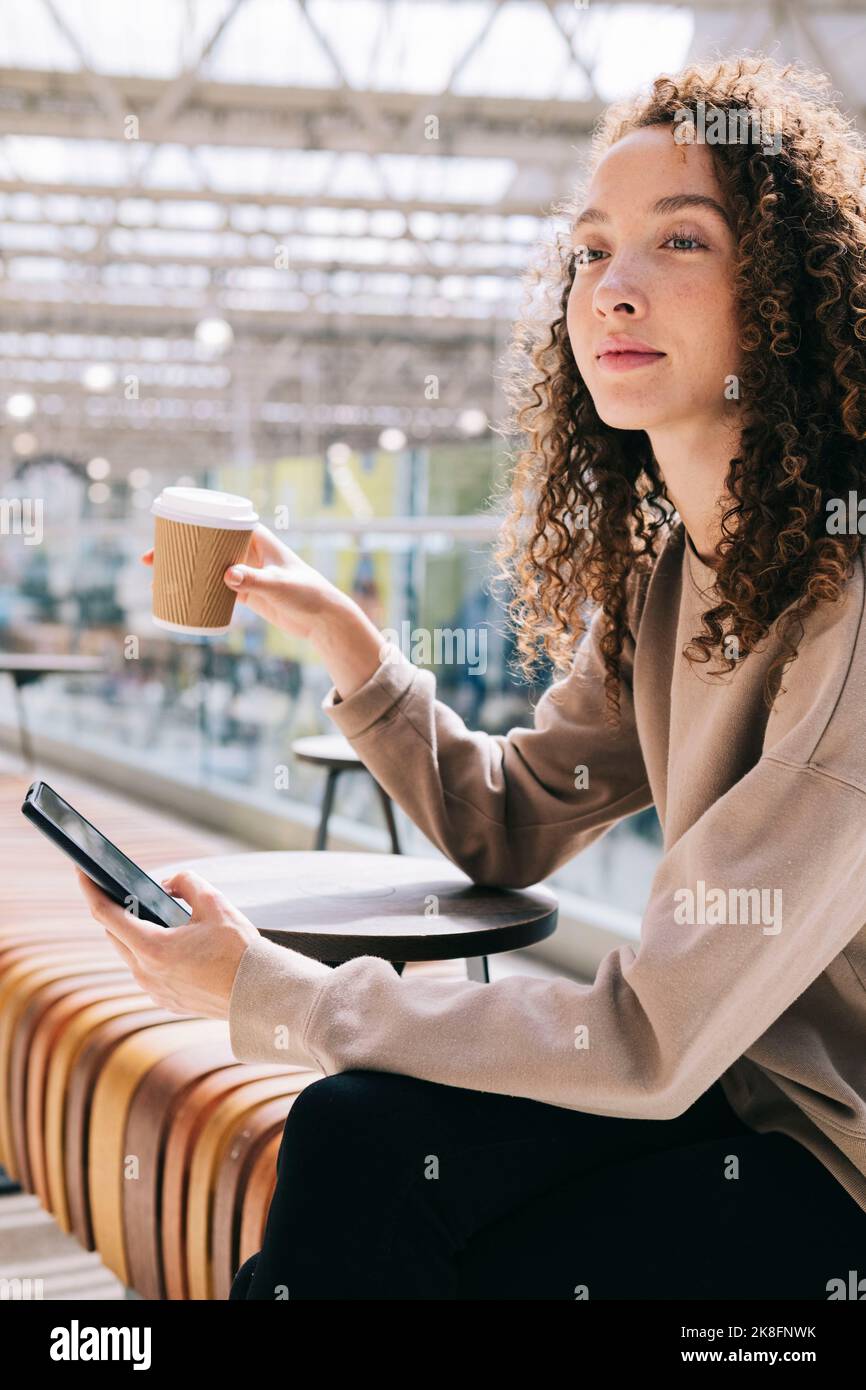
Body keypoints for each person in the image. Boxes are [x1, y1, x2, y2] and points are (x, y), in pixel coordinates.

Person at [78, 54, 866, 1300]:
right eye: (590, 249)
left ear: (783, 294)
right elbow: (506, 823)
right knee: (351, 1134)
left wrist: (269, 991)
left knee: (457, 1243)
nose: (612, 287)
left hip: (833, 1167)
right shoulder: (670, 574)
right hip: (724, 1096)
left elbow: (648, 1037)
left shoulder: (845, 611)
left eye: (678, 241)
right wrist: (349, 640)